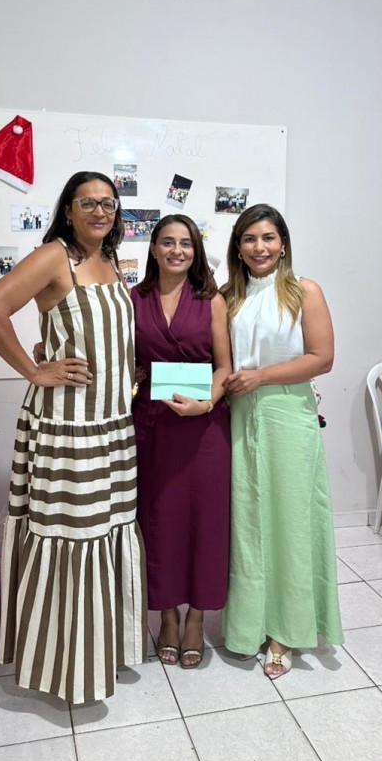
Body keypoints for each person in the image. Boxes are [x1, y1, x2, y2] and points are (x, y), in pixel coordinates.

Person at [0, 171, 148, 704]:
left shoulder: (110, 262)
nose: (100, 212)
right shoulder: (55, 256)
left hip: (112, 427)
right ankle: (63, 664)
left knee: (105, 533)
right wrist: (34, 370)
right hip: (69, 428)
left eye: (108, 204)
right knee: (73, 539)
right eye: (87, 203)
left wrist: (128, 374)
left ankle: (97, 651)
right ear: (68, 209)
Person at [220, 204, 342, 678]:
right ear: (238, 247)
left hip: (288, 413)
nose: (260, 247)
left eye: (268, 237)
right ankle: (248, 625)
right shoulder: (228, 296)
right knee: (247, 520)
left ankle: (285, 631)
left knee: (289, 521)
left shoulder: (304, 290)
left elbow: (322, 357)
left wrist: (261, 376)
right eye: (249, 239)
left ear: (283, 243)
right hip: (240, 415)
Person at [131, 215, 231, 669]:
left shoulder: (211, 301)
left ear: (196, 251)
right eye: (168, 242)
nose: (177, 250)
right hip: (152, 427)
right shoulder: (133, 299)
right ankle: (167, 614)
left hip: (203, 427)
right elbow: (123, 360)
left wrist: (205, 404)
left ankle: (196, 617)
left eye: (186, 243)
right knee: (158, 521)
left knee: (204, 521)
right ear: (153, 248)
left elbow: (224, 367)